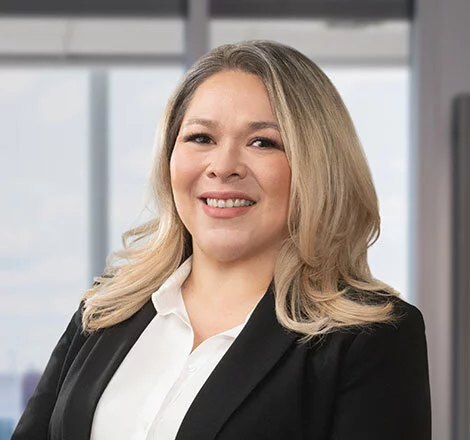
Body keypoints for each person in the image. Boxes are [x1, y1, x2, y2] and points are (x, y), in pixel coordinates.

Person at [12, 40, 431, 440]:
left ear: (317, 165)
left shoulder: (371, 339)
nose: (223, 165)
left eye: (262, 142)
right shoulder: (106, 308)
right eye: (201, 138)